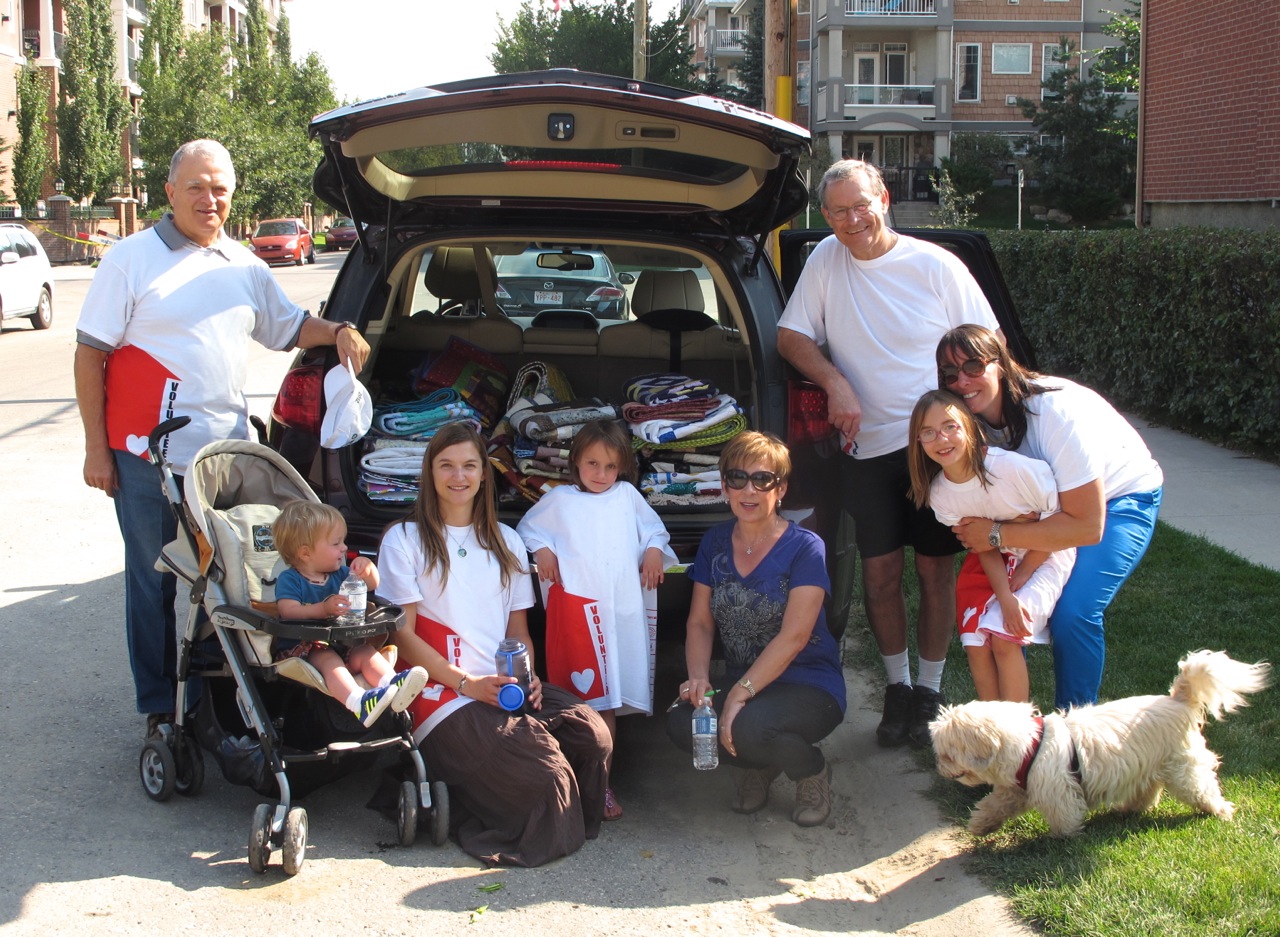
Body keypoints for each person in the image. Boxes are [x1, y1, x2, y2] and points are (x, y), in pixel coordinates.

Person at [74, 139, 369, 739]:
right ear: (170, 192)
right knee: (152, 586)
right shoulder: (130, 260)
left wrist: (338, 330)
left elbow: (288, 327)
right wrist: (96, 449)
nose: (210, 200)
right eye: (198, 187)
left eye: (221, 189)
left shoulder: (244, 265)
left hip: (223, 463)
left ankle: (227, 700)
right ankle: (161, 711)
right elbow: (90, 355)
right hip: (146, 459)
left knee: (234, 582)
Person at [776, 158, 1001, 748]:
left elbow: (987, 341)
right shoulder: (826, 259)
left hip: (938, 452)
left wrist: (961, 411)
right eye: (839, 211)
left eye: (861, 206)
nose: (853, 220)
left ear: (884, 197)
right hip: (866, 448)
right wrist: (836, 383)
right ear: (824, 216)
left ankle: (930, 690)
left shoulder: (935, 265)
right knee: (879, 574)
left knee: (934, 570)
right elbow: (791, 335)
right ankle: (896, 688)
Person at [377, 421, 612, 867]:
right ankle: (502, 788)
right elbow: (400, 638)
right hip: (443, 696)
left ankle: (515, 779)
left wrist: (530, 678)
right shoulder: (404, 540)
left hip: (501, 685)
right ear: (430, 473)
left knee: (592, 736)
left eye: (469, 465)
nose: (458, 476)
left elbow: (518, 631)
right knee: (546, 775)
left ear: (485, 474)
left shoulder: (506, 540)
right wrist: (465, 684)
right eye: (446, 466)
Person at [936, 324, 1164, 709]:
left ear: (1001, 363)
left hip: (1119, 499)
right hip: (1040, 512)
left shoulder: (1054, 413)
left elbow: (1086, 526)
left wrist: (996, 535)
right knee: (997, 609)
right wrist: (1008, 565)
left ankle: (1073, 735)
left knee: (1074, 613)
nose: (962, 381)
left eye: (974, 366)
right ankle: (1008, 734)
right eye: (950, 374)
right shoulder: (963, 425)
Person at [666, 431, 846, 827]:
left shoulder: (805, 546)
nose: (749, 490)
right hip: (741, 678)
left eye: (762, 479)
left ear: (780, 488)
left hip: (808, 683)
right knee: (684, 721)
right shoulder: (715, 542)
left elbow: (795, 636)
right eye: (737, 478)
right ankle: (756, 767)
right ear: (725, 485)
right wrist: (698, 679)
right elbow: (699, 621)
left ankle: (811, 771)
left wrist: (739, 694)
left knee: (750, 724)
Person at [516, 419, 676, 821]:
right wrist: (543, 550)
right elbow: (528, 530)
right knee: (578, 701)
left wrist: (655, 550)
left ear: (621, 465)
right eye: (592, 464)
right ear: (575, 463)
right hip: (579, 619)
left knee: (607, 701)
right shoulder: (559, 500)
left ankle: (601, 783)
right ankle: (568, 780)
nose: (601, 474)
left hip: (618, 617)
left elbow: (654, 531)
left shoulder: (627, 496)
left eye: (609, 465)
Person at [905, 390, 1075, 703]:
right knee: (976, 644)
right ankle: (993, 733)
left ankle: (1019, 736)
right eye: (927, 432)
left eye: (950, 426)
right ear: (917, 441)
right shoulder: (942, 495)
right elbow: (983, 546)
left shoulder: (1014, 470)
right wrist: (1004, 593)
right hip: (996, 559)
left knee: (1003, 641)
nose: (941, 439)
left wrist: (1024, 571)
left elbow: (1059, 523)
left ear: (969, 426)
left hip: (1047, 554)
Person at [271, 500, 428, 726]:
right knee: (326, 657)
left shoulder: (340, 573)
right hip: (305, 648)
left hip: (342, 643)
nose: (344, 548)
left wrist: (368, 569)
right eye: (336, 543)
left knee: (364, 651)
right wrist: (323, 609)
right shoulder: (291, 579)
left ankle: (393, 685)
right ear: (305, 553)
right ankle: (359, 703)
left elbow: (373, 585)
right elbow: (287, 610)